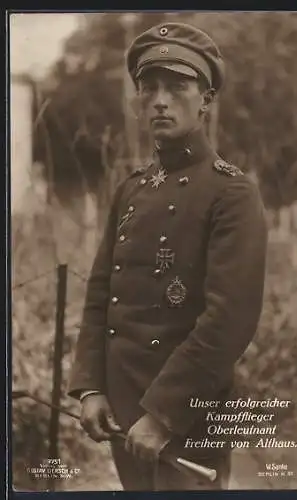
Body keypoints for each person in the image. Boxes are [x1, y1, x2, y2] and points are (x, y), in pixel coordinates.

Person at [68, 21, 267, 491]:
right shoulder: (131, 189)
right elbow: (101, 296)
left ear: (206, 99)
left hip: (188, 415)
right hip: (120, 410)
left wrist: (163, 414)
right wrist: (92, 388)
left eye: (176, 86)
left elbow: (228, 321)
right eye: (148, 87)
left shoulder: (232, 192)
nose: (159, 99)